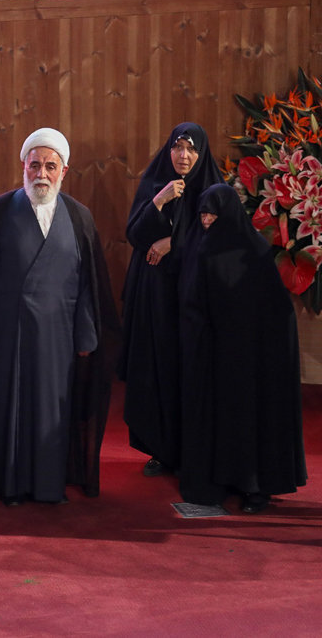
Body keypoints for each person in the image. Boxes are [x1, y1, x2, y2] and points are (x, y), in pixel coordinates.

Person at [0, 128, 118, 506]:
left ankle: (49, 486)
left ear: (63, 171)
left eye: (50, 167)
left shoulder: (79, 216)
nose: (42, 174)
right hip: (10, 331)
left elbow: (89, 282)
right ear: (23, 166)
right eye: (35, 165)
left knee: (53, 409)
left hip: (59, 335)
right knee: (11, 407)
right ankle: (11, 486)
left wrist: (86, 334)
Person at [177, 184, 307, 511]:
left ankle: (253, 486)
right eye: (202, 214)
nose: (207, 220)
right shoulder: (200, 247)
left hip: (250, 355)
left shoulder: (255, 250)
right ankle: (220, 478)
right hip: (213, 352)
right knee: (219, 418)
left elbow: (275, 308)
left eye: (213, 214)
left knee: (249, 417)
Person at [119, 122, 225, 478]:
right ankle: (161, 449)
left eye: (191, 149)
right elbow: (134, 234)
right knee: (157, 367)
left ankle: (194, 452)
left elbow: (222, 242)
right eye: (178, 147)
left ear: (201, 153)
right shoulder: (155, 184)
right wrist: (160, 200)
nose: (183, 155)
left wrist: (173, 243)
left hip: (193, 300)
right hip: (155, 298)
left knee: (190, 371)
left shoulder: (212, 190)